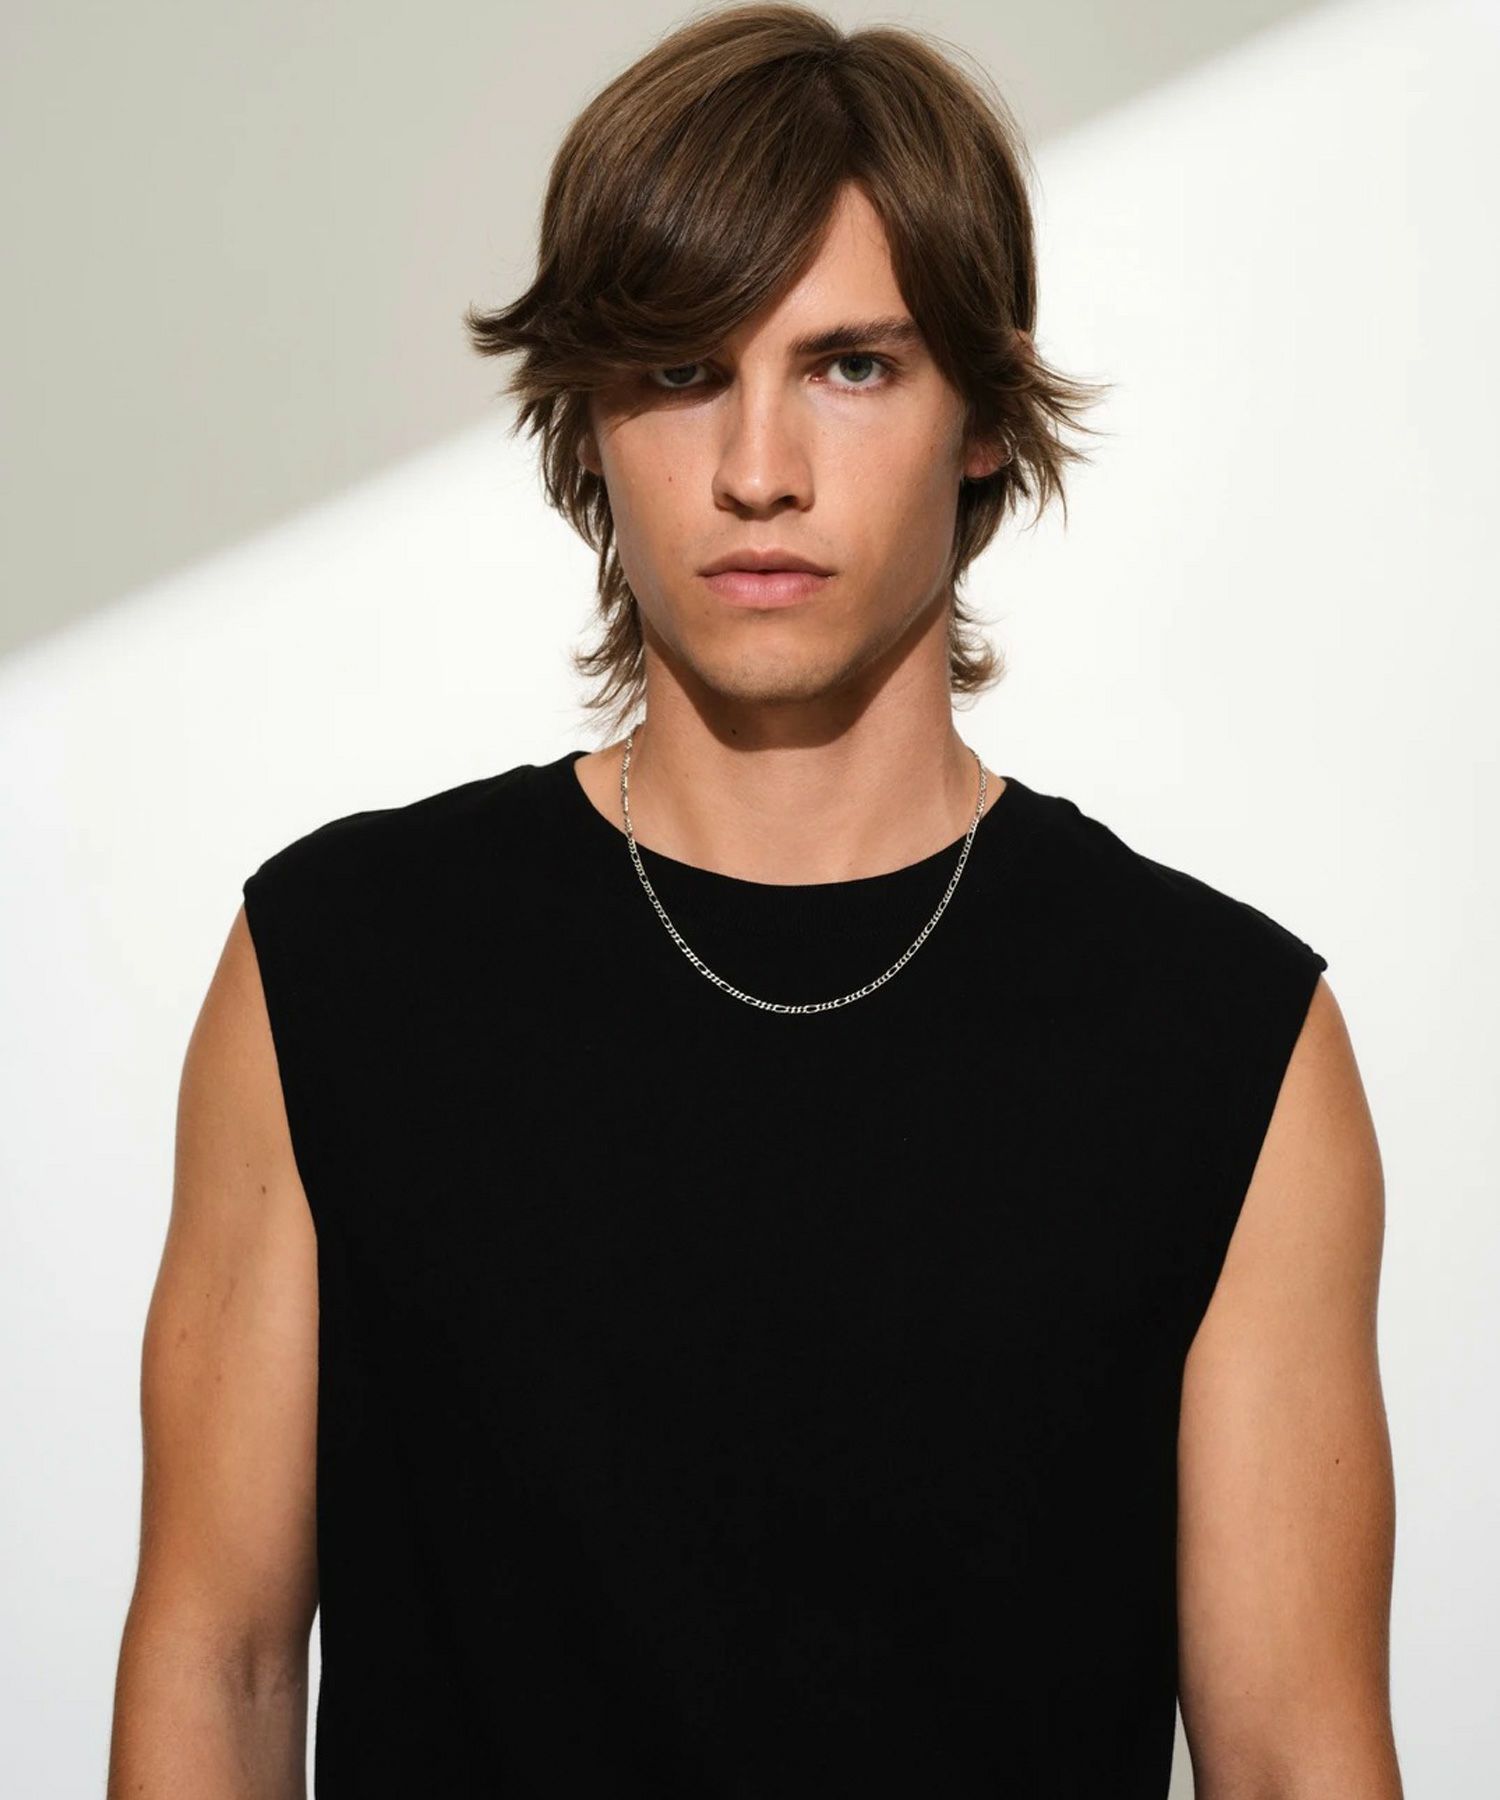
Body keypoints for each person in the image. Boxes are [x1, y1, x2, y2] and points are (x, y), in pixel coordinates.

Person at [109, 5, 1402, 1795]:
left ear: (981, 413)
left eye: (850, 365)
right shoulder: (336, 969)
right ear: (587, 422)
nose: (758, 469)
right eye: (679, 369)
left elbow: (1294, 1760)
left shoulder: (1224, 1043)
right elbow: (220, 1662)